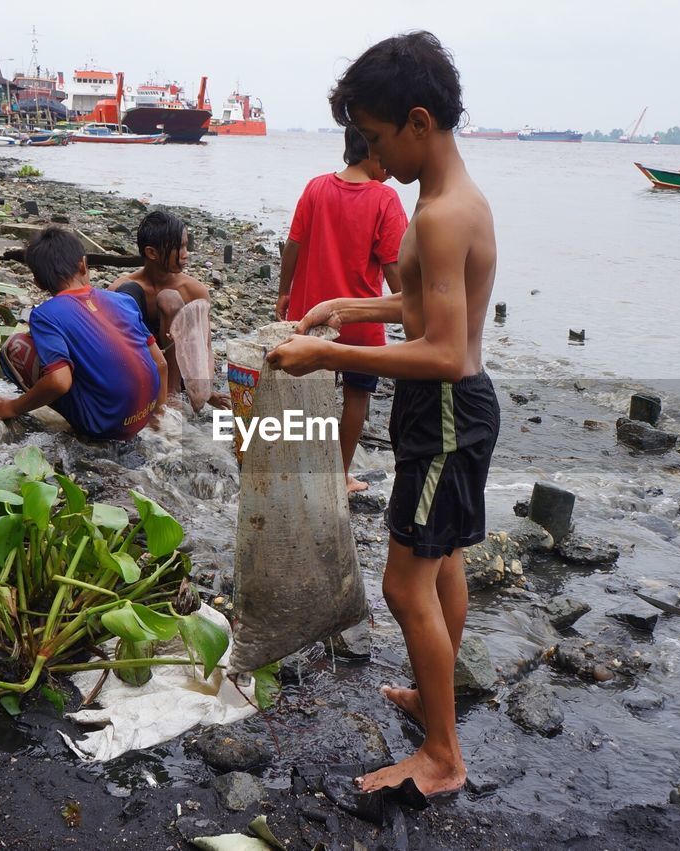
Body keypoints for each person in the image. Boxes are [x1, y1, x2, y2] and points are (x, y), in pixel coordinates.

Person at [267, 30, 499, 798]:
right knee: (447, 560)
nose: (372, 151)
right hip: (458, 410)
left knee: (405, 586)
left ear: (419, 123)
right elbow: (423, 305)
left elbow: (441, 350)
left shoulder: (436, 215)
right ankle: (438, 702)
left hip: (443, 411)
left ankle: (442, 755)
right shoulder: (454, 200)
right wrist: (346, 306)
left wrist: (328, 356)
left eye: (374, 135)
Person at [278, 125, 408, 493]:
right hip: (360, 323)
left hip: (310, 318)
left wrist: (283, 292)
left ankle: (298, 471)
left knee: (307, 398)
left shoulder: (316, 187)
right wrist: (409, 304)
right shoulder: (384, 199)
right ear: (373, 150)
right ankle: (338, 477)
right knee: (356, 399)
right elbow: (393, 266)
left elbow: (293, 245)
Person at [0, 226, 167, 439]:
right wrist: (158, 418)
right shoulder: (122, 300)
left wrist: (13, 407)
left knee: (15, 347)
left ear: (39, 283)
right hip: (143, 415)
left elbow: (59, 382)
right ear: (83, 265)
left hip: (104, 425)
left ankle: (81, 428)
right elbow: (161, 364)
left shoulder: (45, 315)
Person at [110, 210, 229, 413]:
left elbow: (204, 346)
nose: (186, 254)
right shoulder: (122, 286)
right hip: (142, 364)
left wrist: (205, 390)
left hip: (178, 367)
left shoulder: (193, 290)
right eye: (178, 248)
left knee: (169, 298)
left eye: (186, 245)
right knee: (125, 296)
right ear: (152, 253)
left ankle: (172, 392)